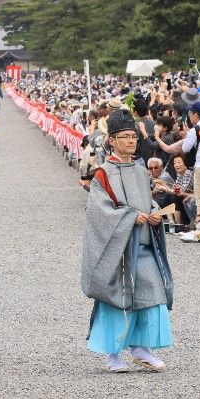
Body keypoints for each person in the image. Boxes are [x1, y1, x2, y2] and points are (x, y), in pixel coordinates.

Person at [82, 110, 173, 373]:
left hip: (142, 244)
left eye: (133, 136)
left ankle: (141, 348)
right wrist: (131, 217)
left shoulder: (140, 169)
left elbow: (147, 200)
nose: (131, 141)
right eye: (125, 137)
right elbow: (99, 211)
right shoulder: (103, 174)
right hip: (119, 249)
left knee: (153, 295)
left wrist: (154, 211)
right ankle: (112, 355)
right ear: (112, 140)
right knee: (117, 300)